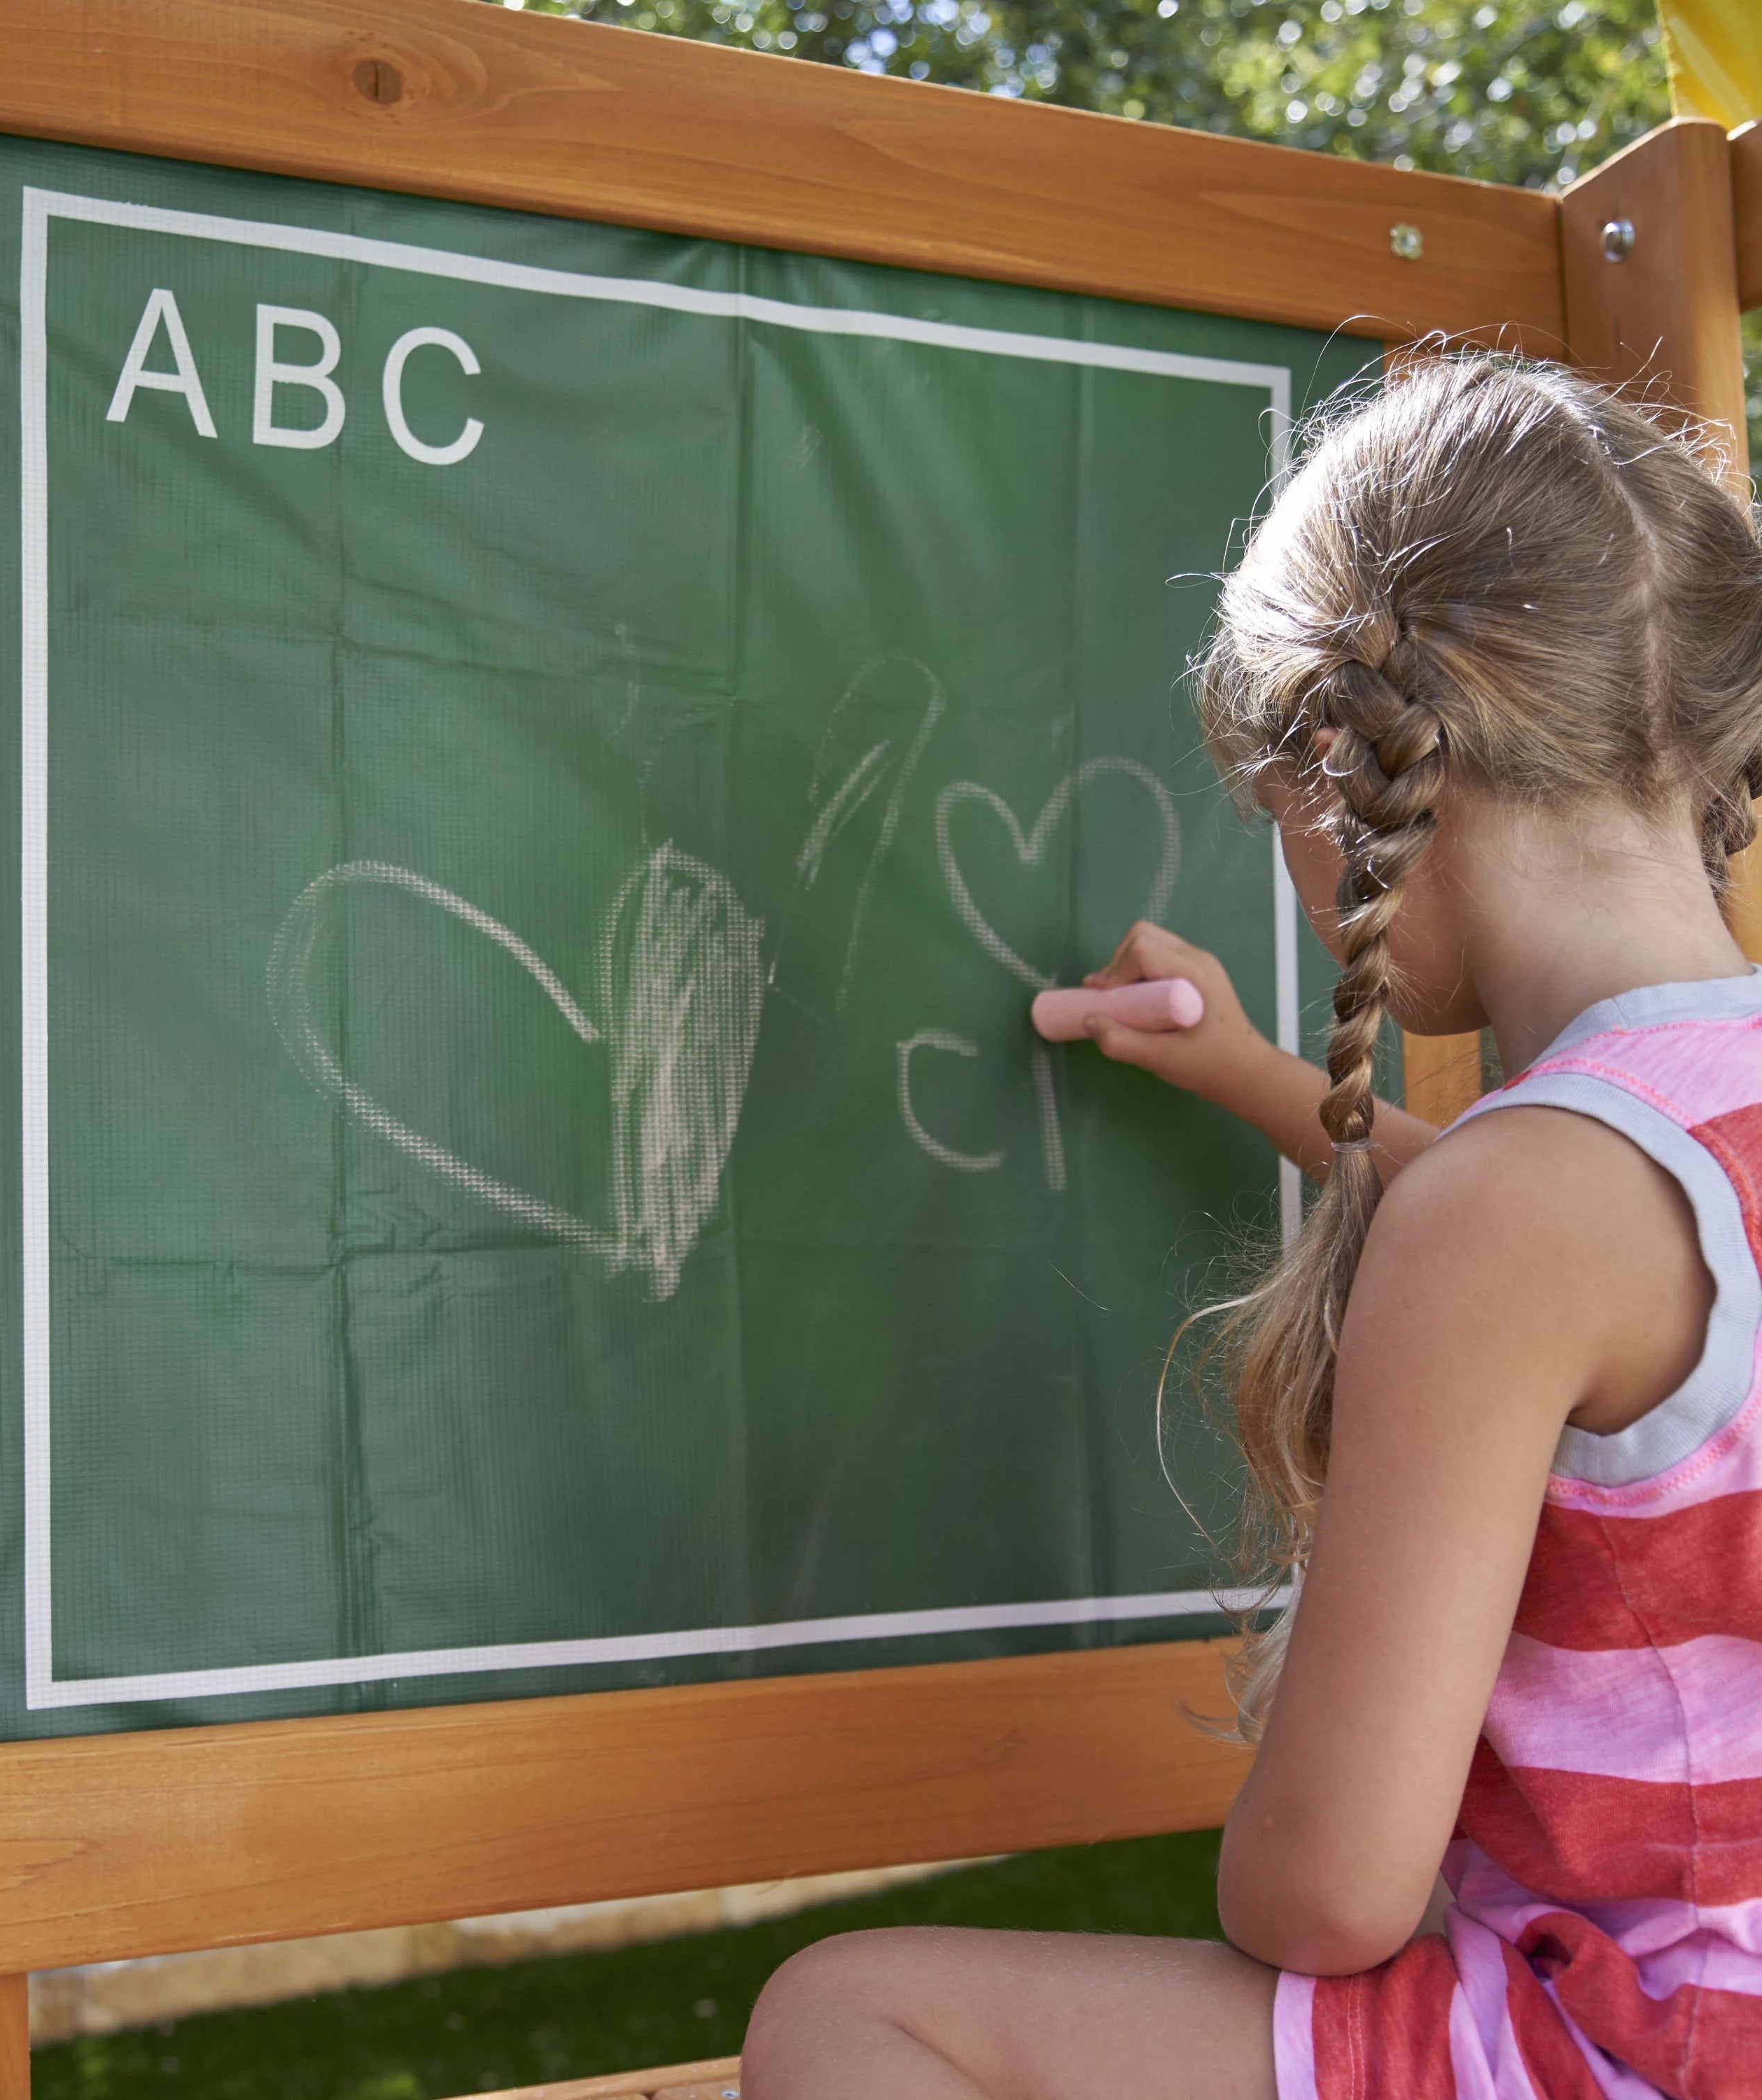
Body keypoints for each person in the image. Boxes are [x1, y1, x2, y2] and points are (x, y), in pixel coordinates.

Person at [739, 353, 1762, 2100]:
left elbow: (1330, 1899)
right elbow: (1629, 1273)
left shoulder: (1523, 1222)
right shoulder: (1638, 1164)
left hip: (1645, 2045)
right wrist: (1252, 1075)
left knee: (845, 2013)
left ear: (1332, 774)